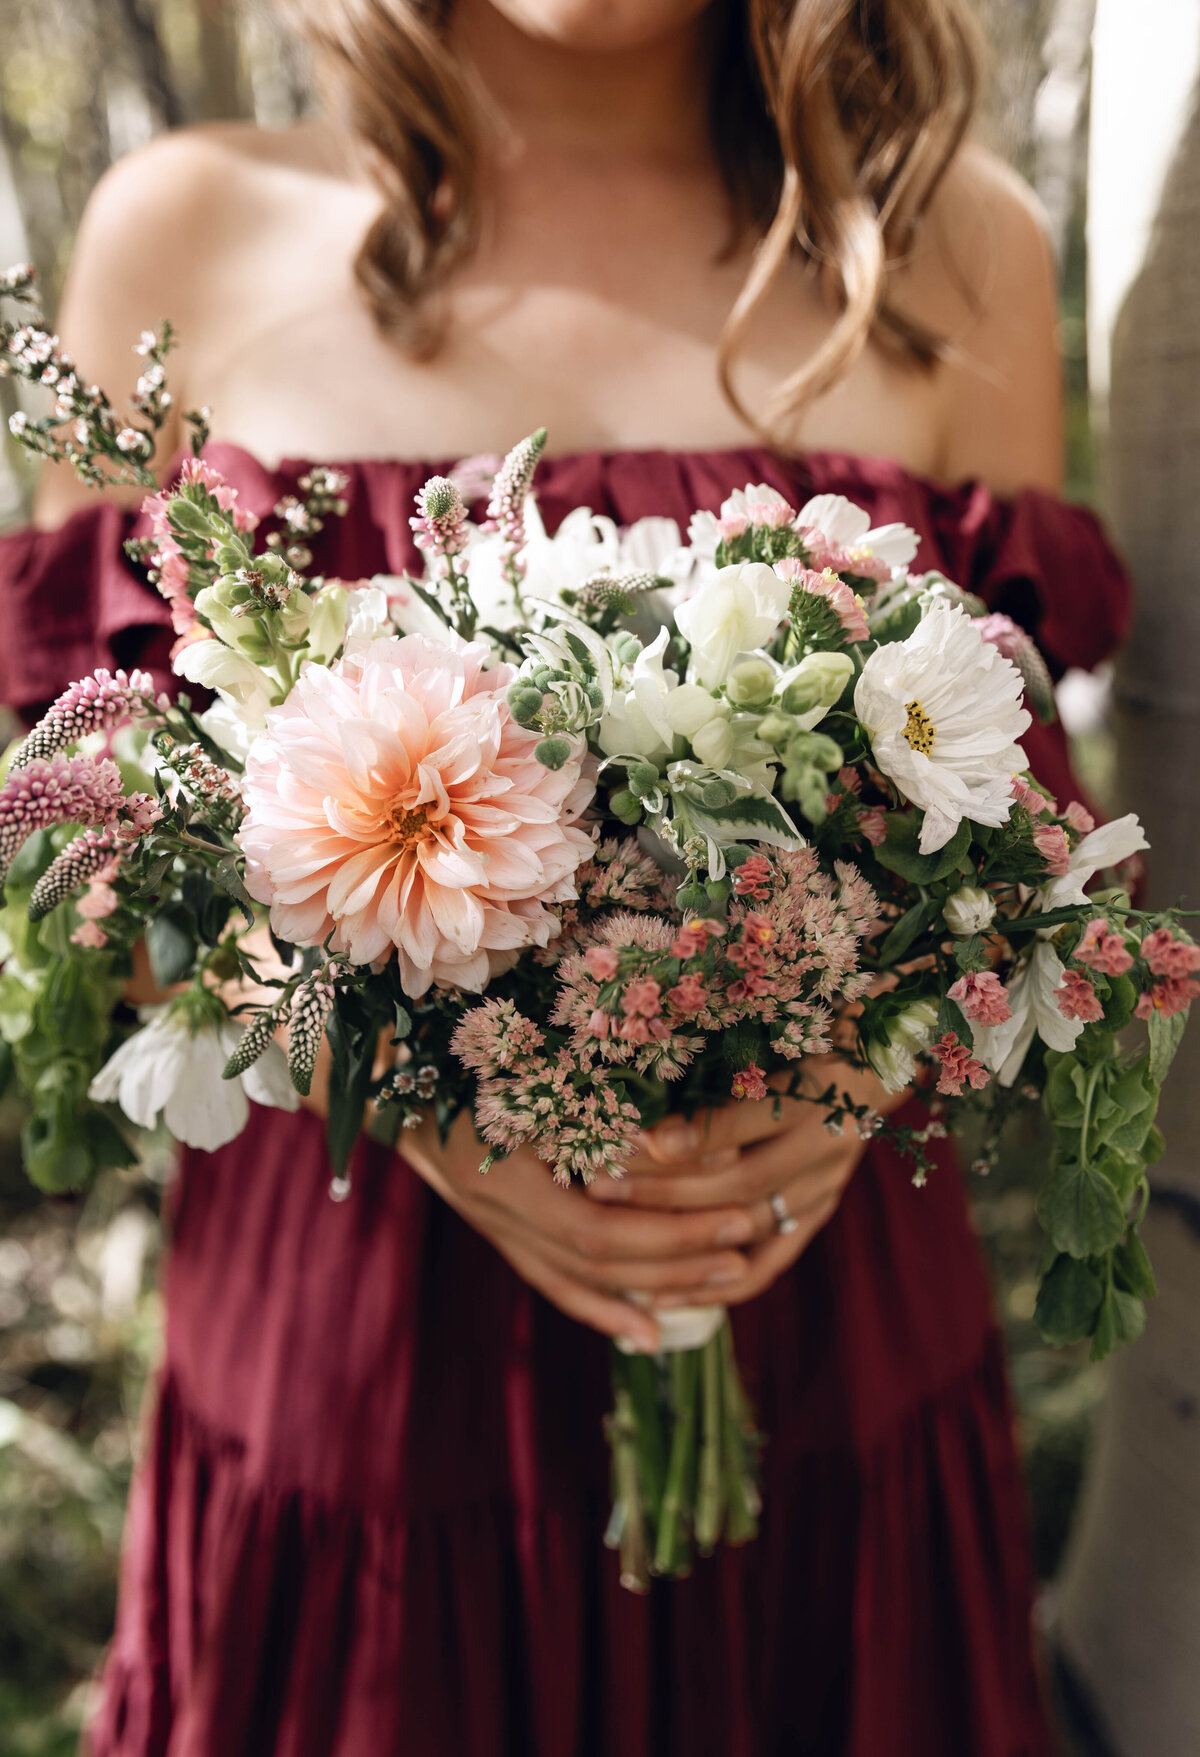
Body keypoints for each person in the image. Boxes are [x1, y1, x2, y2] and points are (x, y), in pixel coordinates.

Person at [0, 2, 1132, 1753]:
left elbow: (1008, 843)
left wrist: (855, 1069)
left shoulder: (944, 245)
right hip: (360, 1399)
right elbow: (99, 853)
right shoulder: (186, 223)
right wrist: (405, 1077)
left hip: (821, 1365)